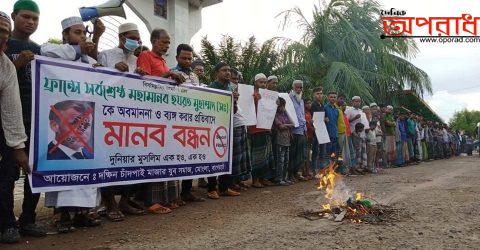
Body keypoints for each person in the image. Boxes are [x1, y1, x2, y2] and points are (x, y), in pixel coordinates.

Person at [41, 16, 103, 233]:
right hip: (65, 121)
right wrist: (78, 49)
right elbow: (45, 53)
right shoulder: (54, 50)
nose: (82, 37)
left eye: (83, 33)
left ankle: (82, 213)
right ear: (66, 35)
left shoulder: (89, 61)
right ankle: (63, 215)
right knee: (63, 169)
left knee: (86, 167)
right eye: (77, 33)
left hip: (85, 122)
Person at [4, 0, 46, 238]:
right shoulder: (4, 45)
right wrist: (16, 65)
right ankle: (7, 223)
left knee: (34, 171)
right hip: (8, 120)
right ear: (14, 16)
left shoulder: (39, 49)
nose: (31, 22)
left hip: (34, 119)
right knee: (8, 173)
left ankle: (28, 219)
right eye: (26, 17)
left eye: (35, 19)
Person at [97, 23, 146, 221]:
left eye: (139, 39)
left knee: (134, 158)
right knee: (108, 159)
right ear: (122, 37)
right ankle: (110, 202)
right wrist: (113, 70)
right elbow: (96, 77)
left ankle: (125, 200)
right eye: (134, 37)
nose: (137, 42)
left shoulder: (137, 60)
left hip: (131, 117)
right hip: (109, 115)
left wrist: (142, 77)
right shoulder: (107, 55)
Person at [0, 10, 32, 244]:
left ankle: (8, 224)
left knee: (8, 173)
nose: (2, 36)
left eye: (5, 32)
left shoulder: (6, 67)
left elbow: (11, 109)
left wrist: (17, 146)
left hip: (3, 126)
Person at [207, 62, 240, 198]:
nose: (227, 73)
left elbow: (234, 111)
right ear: (217, 73)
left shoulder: (230, 88)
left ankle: (224, 187)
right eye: (224, 70)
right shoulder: (212, 87)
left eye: (229, 70)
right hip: (213, 127)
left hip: (227, 126)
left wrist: (234, 102)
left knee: (227, 157)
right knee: (213, 157)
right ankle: (211, 188)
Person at [248, 73, 274, 188]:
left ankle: (263, 178)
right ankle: (255, 180)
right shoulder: (251, 94)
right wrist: (254, 100)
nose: (263, 84)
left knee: (266, 155)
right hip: (256, 129)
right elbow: (247, 108)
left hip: (266, 128)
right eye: (261, 82)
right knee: (257, 155)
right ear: (255, 82)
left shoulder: (269, 96)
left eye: (264, 82)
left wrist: (276, 104)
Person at [229, 68, 250, 191]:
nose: (235, 81)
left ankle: (238, 180)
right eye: (233, 79)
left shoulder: (240, 92)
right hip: (234, 125)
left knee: (241, 156)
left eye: (237, 79)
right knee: (235, 157)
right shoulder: (226, 90)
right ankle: (232, 183)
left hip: (242, 124)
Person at [288, 80, 308, 182]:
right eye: (297, 87)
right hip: (293, 130)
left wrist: (305, 130)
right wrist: (290, 130)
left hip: (301, 130)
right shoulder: (289, 98)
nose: (299, 89)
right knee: (293, 153)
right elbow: (288, 115)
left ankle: (296, 173)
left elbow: (302, 116)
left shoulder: (301, 100)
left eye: (300, 87)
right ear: (293, 87)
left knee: (300, 154)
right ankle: (290, 174)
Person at [273, 97, 294, 185]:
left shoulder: (285, 115)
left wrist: (287, 125)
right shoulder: (275, 115)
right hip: (279, 140)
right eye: (282, 106)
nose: (283, 108)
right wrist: (288, 125)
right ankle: (279, 179)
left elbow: (293, 123)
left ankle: (284, 178)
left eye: (284, 106)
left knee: (286, 160)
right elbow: (280, 126)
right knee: (280, 160)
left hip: (287, 140)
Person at [310, 87, 327, 176]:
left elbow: (325, 117)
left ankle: (321, 170)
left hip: (322, 131)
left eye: (321, 93)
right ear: (314, 95)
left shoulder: (322, 105)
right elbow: (312, 119)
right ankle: (314, 170)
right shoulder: (313, 105)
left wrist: (326, 119)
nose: (320, 95)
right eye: (318, 93)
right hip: (315, 132)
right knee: (315, 152)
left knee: (323, 152)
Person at [336, 94, 350, 174]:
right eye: (340, 99)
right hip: (338, 133)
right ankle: (338, 169)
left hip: (343, 132)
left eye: (343, 99)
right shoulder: (335, 108)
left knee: (343, 152)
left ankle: (342, 168)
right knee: (339, 153)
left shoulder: (340, 108)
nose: (342, 101)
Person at [324, 92, 339, 160]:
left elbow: (336, 122)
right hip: (327, 134)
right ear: (328, 98)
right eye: (331, 97)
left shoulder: (336, 109)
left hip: (335, 134)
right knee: (327, 153)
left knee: (334, 153)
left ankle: (332, 169)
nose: (333, 98)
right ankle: (326, 168)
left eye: (334, 97)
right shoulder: (325, 108)